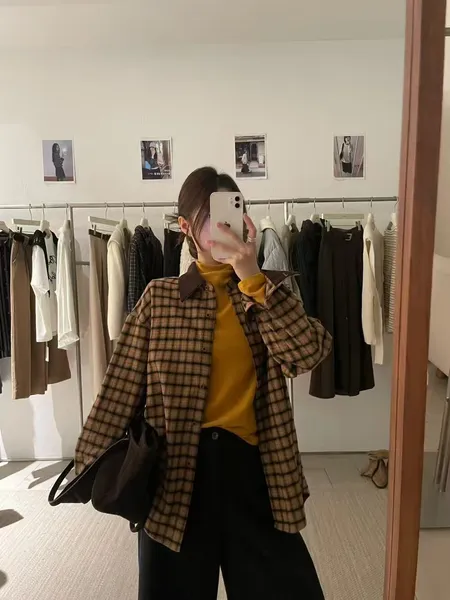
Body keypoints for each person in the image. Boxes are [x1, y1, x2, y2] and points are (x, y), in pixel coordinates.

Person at [75, 166, 332, 600]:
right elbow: (119, 389)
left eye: (232, 212)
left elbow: (306, 354)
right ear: (185, 227)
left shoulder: (266, 291)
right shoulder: (159, 299)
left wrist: (252, 276)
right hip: (175, 481)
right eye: (210, 217)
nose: (224, 226)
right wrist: (88, 469)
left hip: (254, 475)